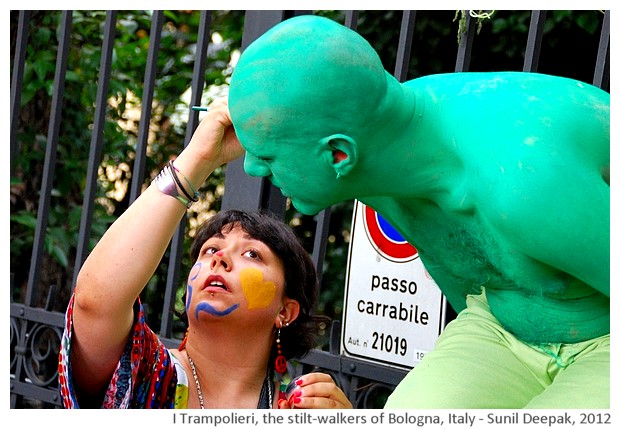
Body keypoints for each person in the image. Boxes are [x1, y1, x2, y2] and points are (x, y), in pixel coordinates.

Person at [226, 15, 610, 408]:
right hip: (503, 323)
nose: (252, 168)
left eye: (267, 154)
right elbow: (465, 274)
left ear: (338, 154)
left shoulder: (523, 185)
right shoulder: (380, 151)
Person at [57, 97, 352, 410]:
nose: (219, 258)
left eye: (252, 254)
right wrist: (200, 157)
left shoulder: (299, 409)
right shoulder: (147, 375)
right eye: (211, 249)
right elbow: (95, 302)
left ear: (286, 311)